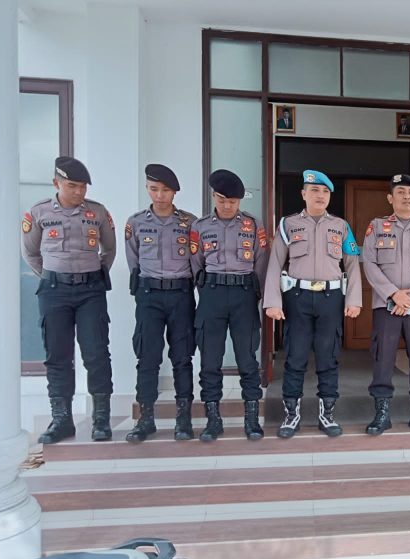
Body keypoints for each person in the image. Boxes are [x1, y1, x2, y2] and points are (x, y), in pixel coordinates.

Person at [21, 156, 116, 443]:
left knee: (96, 353)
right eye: (72, 186)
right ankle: (62, 419)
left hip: (91, 292)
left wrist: (92, 275)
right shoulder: (38, 212)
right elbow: (30, 253)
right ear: (56, 183)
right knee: (57, 356)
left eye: (83, 186)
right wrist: (53, 275)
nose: (79, 191)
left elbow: (109, 250)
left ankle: (101, 419)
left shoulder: (97, 212)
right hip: (54, 292)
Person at [264, 169, 362, 438]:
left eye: (325, 191)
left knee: (328, 357)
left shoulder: (341, 226)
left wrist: (354, 300)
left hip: (331, 298)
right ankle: (291, 415)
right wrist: (273, 301)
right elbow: (275, 264)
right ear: (303, 194)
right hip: (298, 298)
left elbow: (352, 265)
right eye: (315, 190)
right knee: (295, 357)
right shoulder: (288, 224)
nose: (320, 195)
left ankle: (327, 414)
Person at [190, 169, 269, 442]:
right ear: (214, 196)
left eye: (233, 202)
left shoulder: (253, 224)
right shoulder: (200, 227)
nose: (227, 206)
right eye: (222, 200)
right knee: (210, 360)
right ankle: (213, 420)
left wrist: (255, 294)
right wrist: (207, 291)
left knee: (247, 358)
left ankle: (251, 419)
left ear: (239, 201)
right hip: (211, 295)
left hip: (244, 295)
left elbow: (261, 262)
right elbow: (195, 264)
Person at [362, 174, 410, 435]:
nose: (406, 196)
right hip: (386, 305)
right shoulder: (377, 226)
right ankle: (381, 414)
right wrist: (394, 295)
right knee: (383, 357)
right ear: (390, 198)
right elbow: (369, 263)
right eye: (400, 192)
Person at [124, 164, 197, 442]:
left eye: (165, 190)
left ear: (174, 192)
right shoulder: (136, 223)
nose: (159, 195)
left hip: (180, 295)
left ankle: (183, 419)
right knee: (147, 357)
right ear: (147, 189)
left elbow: (197, 260)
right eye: (154, 189)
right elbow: (133, 260)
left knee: (182, 357)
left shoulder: (190, 223)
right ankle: (145, 419)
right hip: (149, 296)